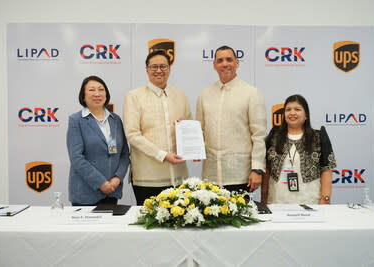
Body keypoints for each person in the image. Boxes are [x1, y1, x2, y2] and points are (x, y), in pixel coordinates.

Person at [124, 50, 192, 205]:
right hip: (148, 179)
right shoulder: (134, 96)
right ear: (147, 70)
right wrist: (162, 155)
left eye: (163, 66)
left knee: (180, 226)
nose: (159, 70)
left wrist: (186, 130)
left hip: (179, 176)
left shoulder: (180, 95)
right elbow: (132, 134)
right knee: (148, 226)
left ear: (169, 69)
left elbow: (190, 128)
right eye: (154, 67)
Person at [196, 45, 267, 193]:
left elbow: (259, 135)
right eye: (220, 60)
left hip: (241, 175)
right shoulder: (205, 95)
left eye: (229, 59)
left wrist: (257, 169)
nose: (225, 64)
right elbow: (199, 131)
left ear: (237, 63)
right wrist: (192, 145)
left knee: (238, 216)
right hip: (211, 176)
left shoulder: (251, 93)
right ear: (214, 65)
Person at [261, 94, 337, 204]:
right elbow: (266, 168)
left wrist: (325, 199)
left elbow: (326, 169)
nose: (292, 113)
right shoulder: (274, 137)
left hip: (310, 202)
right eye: (288, 109)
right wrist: (264, 197)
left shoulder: (318, 137)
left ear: (306, 115)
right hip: (277, 201)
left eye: (297, 109)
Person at [67, 76, 130, 206]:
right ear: (83, 96)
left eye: (101, 89)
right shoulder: (76, 121)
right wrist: (101, 183)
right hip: (86, 193)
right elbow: (77, 158)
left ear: (106, 95)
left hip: (112, 191)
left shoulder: (115, 120)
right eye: (91, 90)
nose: (97, 93)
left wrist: (117, 178)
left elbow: (124, 154)